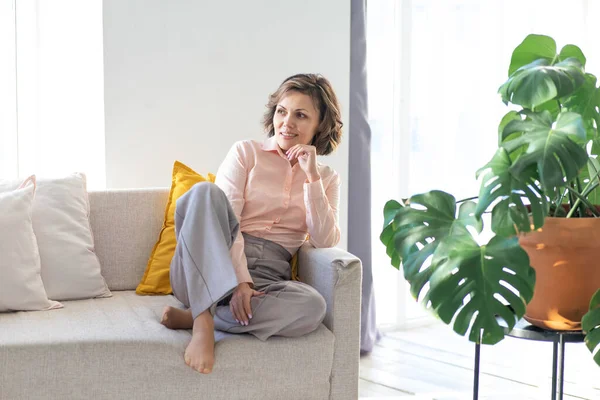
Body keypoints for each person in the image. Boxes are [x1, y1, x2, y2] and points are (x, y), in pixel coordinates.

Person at [160, 73, 343, 374]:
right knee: (205, 193)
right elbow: (225, 219)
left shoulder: (326, 179)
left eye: (301, 115)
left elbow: (324, 240)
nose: (287, 123)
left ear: (320, 125)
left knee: (313, 306)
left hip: (269, 278)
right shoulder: (245, 152)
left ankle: (193, 315)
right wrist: (240, 281)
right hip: (210, 263)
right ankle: (203, 321)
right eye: (282, 111)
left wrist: (311, 177)